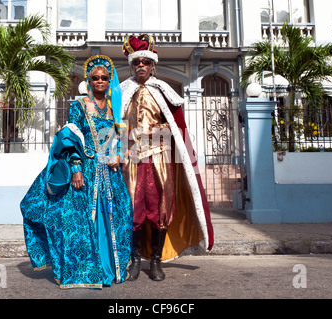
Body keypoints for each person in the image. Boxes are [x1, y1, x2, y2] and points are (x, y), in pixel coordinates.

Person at [20, 55, 132, 289]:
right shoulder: (79, 105)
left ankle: (111, 269)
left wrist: (119, 154)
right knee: (81, 221)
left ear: (109, 79)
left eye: (104, 77)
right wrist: (76, 169)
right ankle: (86, 270)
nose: (100, 81)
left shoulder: (114, 107)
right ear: (88, 81)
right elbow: (71, 139)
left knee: (114, 216)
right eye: (95, 78)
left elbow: (120, 138)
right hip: (86, 169)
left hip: (110, 173)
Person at [120, 34, 214, 281]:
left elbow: (176, 128)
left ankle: (155, 262)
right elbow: (114, 125)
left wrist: (152, 133)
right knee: (131, 210)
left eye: (145, 62)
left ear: (153, 66)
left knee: (160, 209)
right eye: (136, 62)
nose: (141, 66)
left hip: (159, 159)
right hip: (131, 160)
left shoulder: (163, 90)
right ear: (131, 65)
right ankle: (134, 261)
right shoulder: (121, 91)